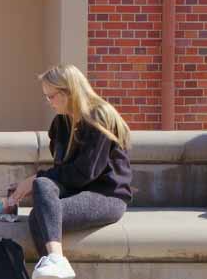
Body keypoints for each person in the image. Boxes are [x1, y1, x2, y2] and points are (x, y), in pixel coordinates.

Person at [8, 64, 132, 279]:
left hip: (107, 196)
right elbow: (61, 171)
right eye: (46, 97)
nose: (49, 103)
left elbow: (86, 172)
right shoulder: (61, 123)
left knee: (40, 215)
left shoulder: (99, 117)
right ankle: (56, 263)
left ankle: (55, 263)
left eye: (51, 96)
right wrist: (37, 182)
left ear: (69, 92)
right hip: (76, 192)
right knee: (42, 189)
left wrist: (36, 178)